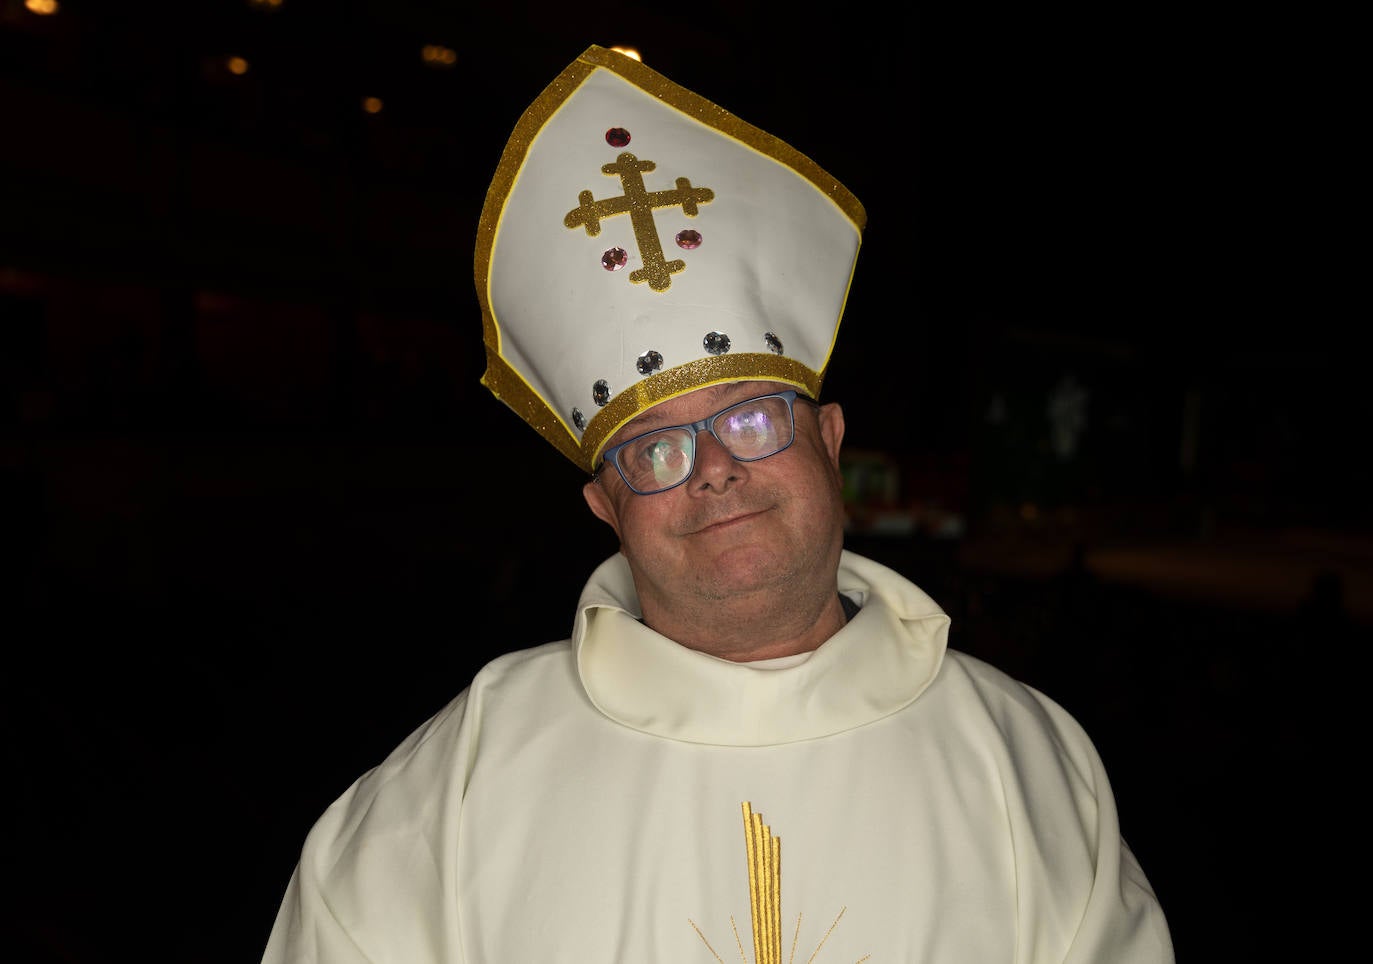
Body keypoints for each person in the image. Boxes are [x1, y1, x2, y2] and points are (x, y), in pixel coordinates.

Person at [262, 45, 1175, 962]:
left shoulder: (1025, 760)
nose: (711, 470)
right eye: (653, 449)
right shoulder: (451, 789)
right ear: (604, 510)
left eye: (749, 419)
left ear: (831, 442)